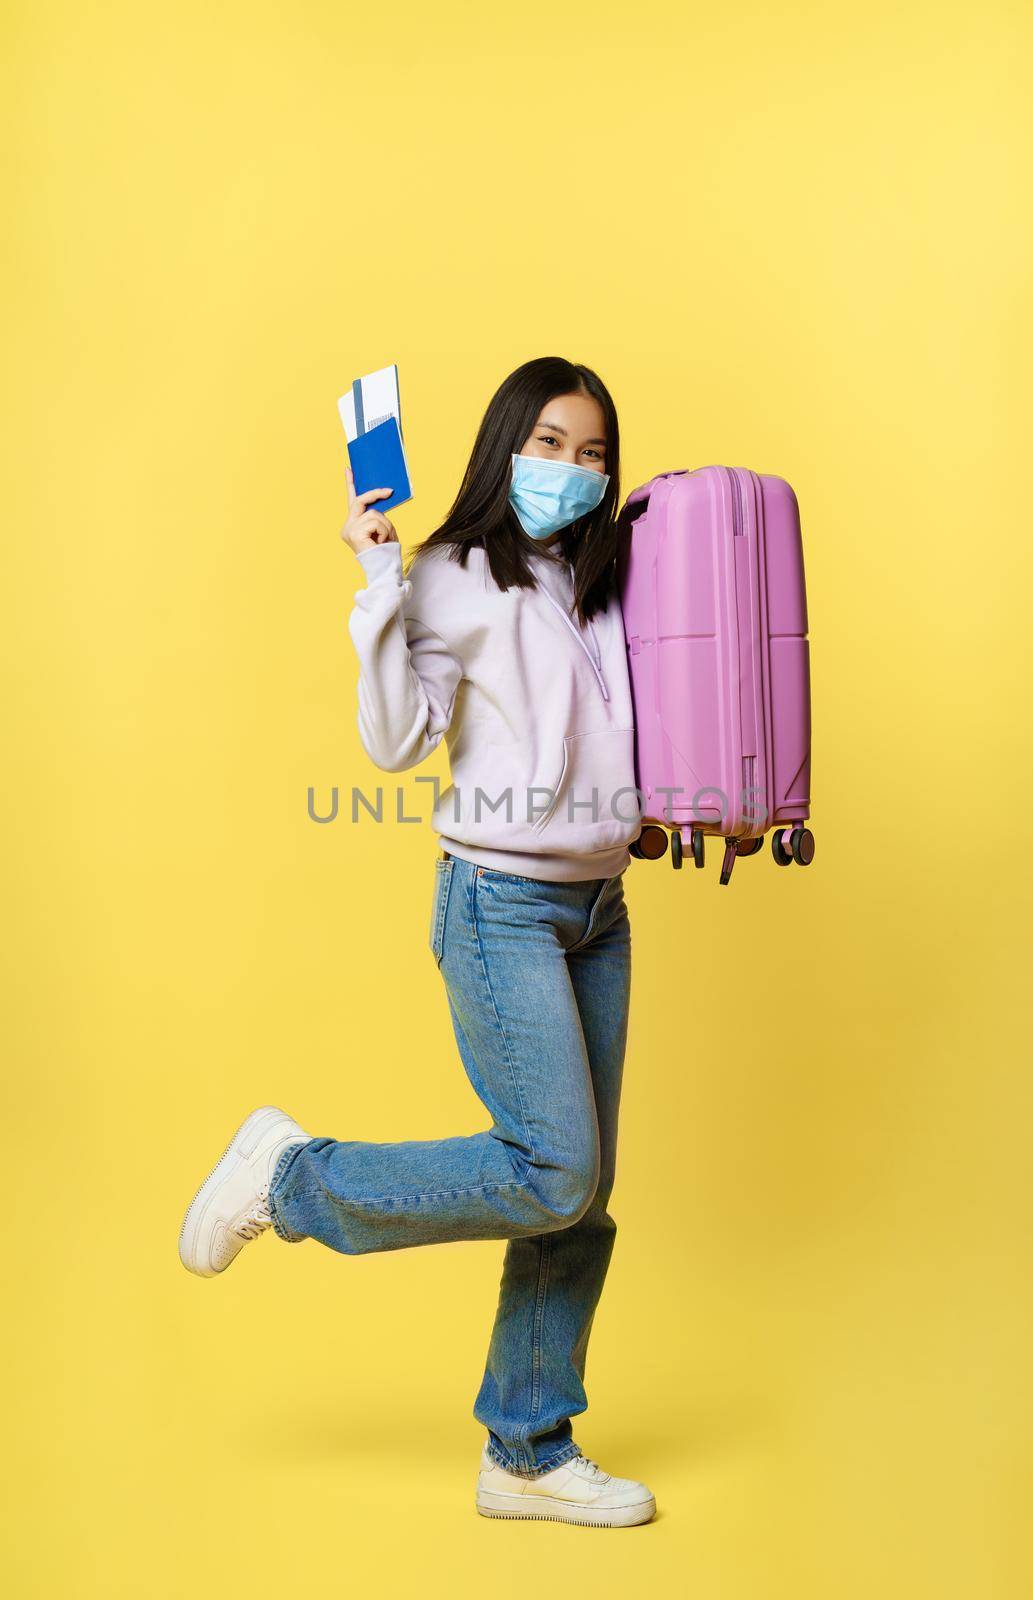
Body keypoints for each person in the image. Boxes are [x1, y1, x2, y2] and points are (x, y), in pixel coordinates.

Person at [178, 355, 656, 1528]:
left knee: (576, 1199)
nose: (572, 470)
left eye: (593, 452)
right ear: (504, 446)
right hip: (498, 903)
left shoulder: (605, 578)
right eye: (549, 443)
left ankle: (529, 1450)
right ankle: (292, 1177)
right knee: (556, 1168)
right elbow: (397, 742)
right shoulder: (453, 572)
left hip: (599, 907)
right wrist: (376, 586)